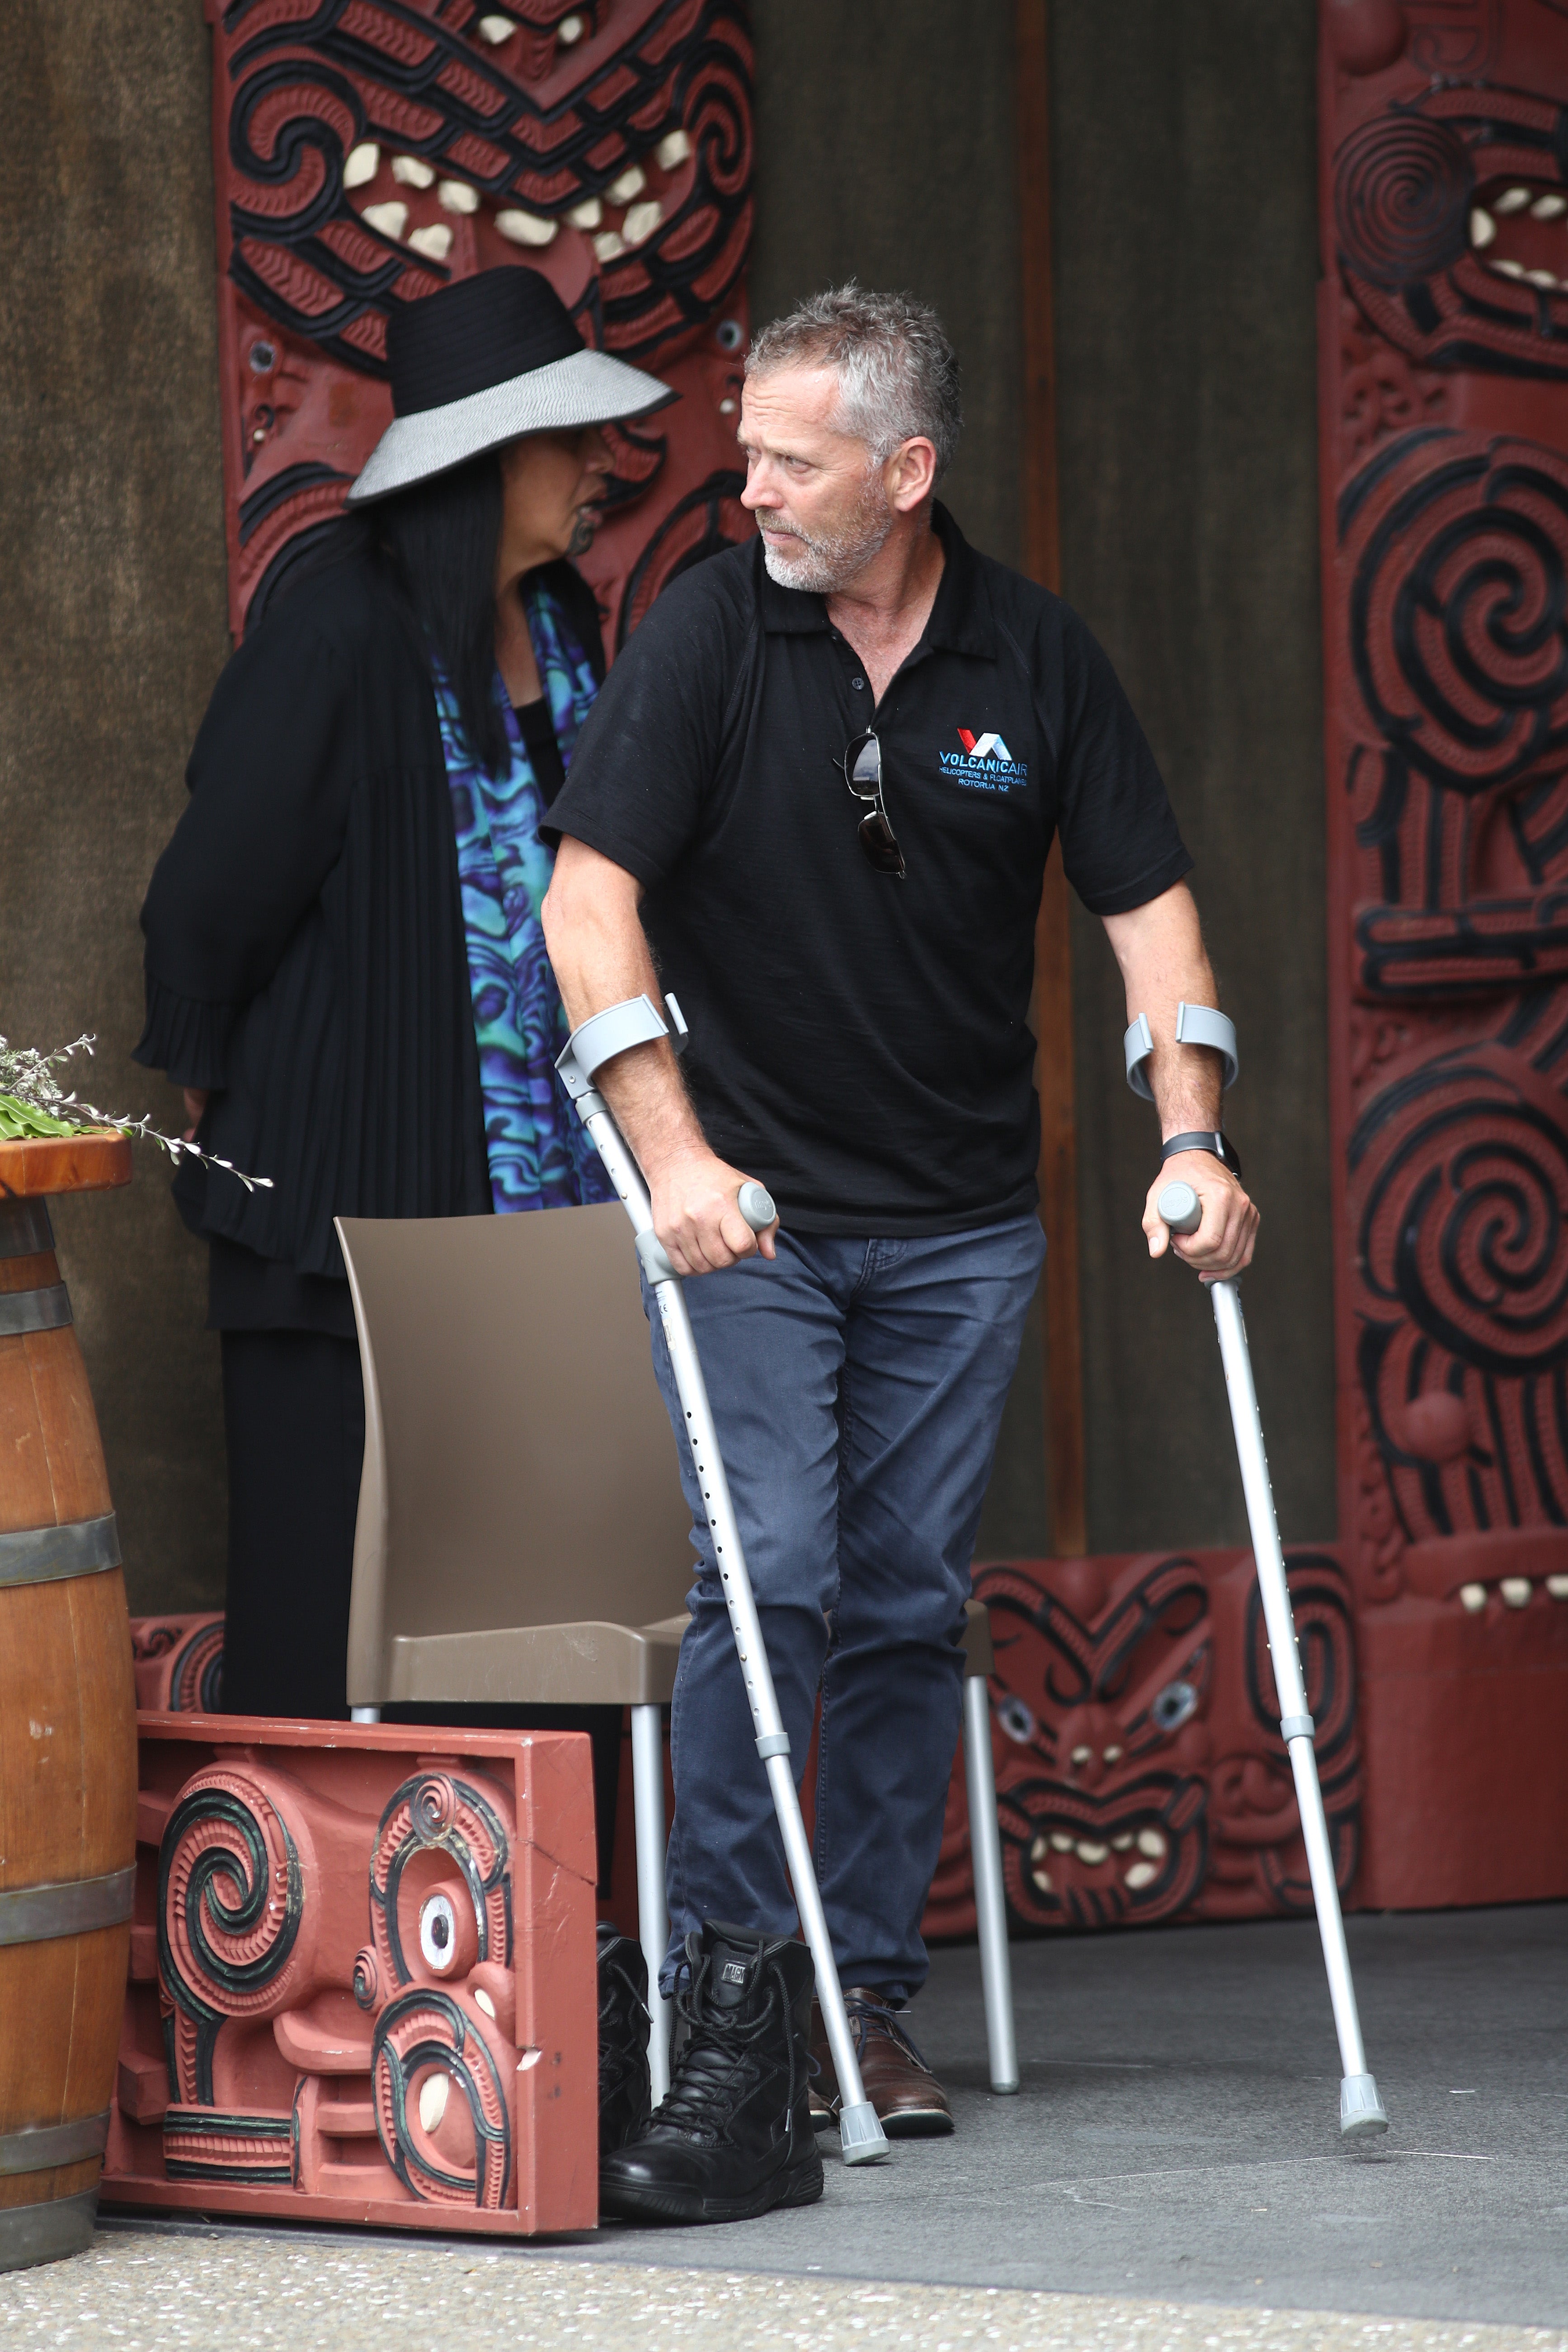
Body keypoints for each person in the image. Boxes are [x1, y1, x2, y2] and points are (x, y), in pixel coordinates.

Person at [541, 283, 1258, 2225]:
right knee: (765, 1571)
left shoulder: (1031, 653)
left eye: (791, 456)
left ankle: (851, 1994)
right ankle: (727, 1996)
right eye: (744, 444)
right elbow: (587, 900)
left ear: (907, 469)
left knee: (896, 1598)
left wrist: (1191, 1136)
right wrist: (672, 1153)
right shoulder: (706, 630)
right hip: (751, 1211)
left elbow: (1152, 916)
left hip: (956, 1224)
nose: (746, 483)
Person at [134, 266, 671, 1745]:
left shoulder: (561, 627)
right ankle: (318, 1953)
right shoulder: (337, 630)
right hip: (342, 1224)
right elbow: (209, 895)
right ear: (488, 462)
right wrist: (211, 1070)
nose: (598, 466)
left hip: (532, 1225)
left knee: (528, 1612)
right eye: (569, 440)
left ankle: (537, 1958)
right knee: (335, 1615)